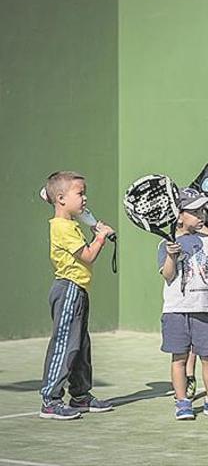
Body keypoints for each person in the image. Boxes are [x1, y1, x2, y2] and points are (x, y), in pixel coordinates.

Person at [38, 171, 115, 420]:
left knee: (81, 345)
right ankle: (50, 399)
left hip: (79, 290)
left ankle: (81, 395)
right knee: (65, 344)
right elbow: (89, 256)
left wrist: (96, 230)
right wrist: (101, 236)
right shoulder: (62, 228)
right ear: (60, 198)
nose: (84, 198)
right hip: (68, 289)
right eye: (80, 193)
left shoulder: (70, 224)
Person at [157, 188, 208, 421]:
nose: (201, 216)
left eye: (203, 211)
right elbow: (168, 275)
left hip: (206, 309)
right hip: (176, 311)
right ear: (179, 215)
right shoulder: (165, 245)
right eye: (195, 212)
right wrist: (171, 256)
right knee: (179, 358)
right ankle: (182, 402)